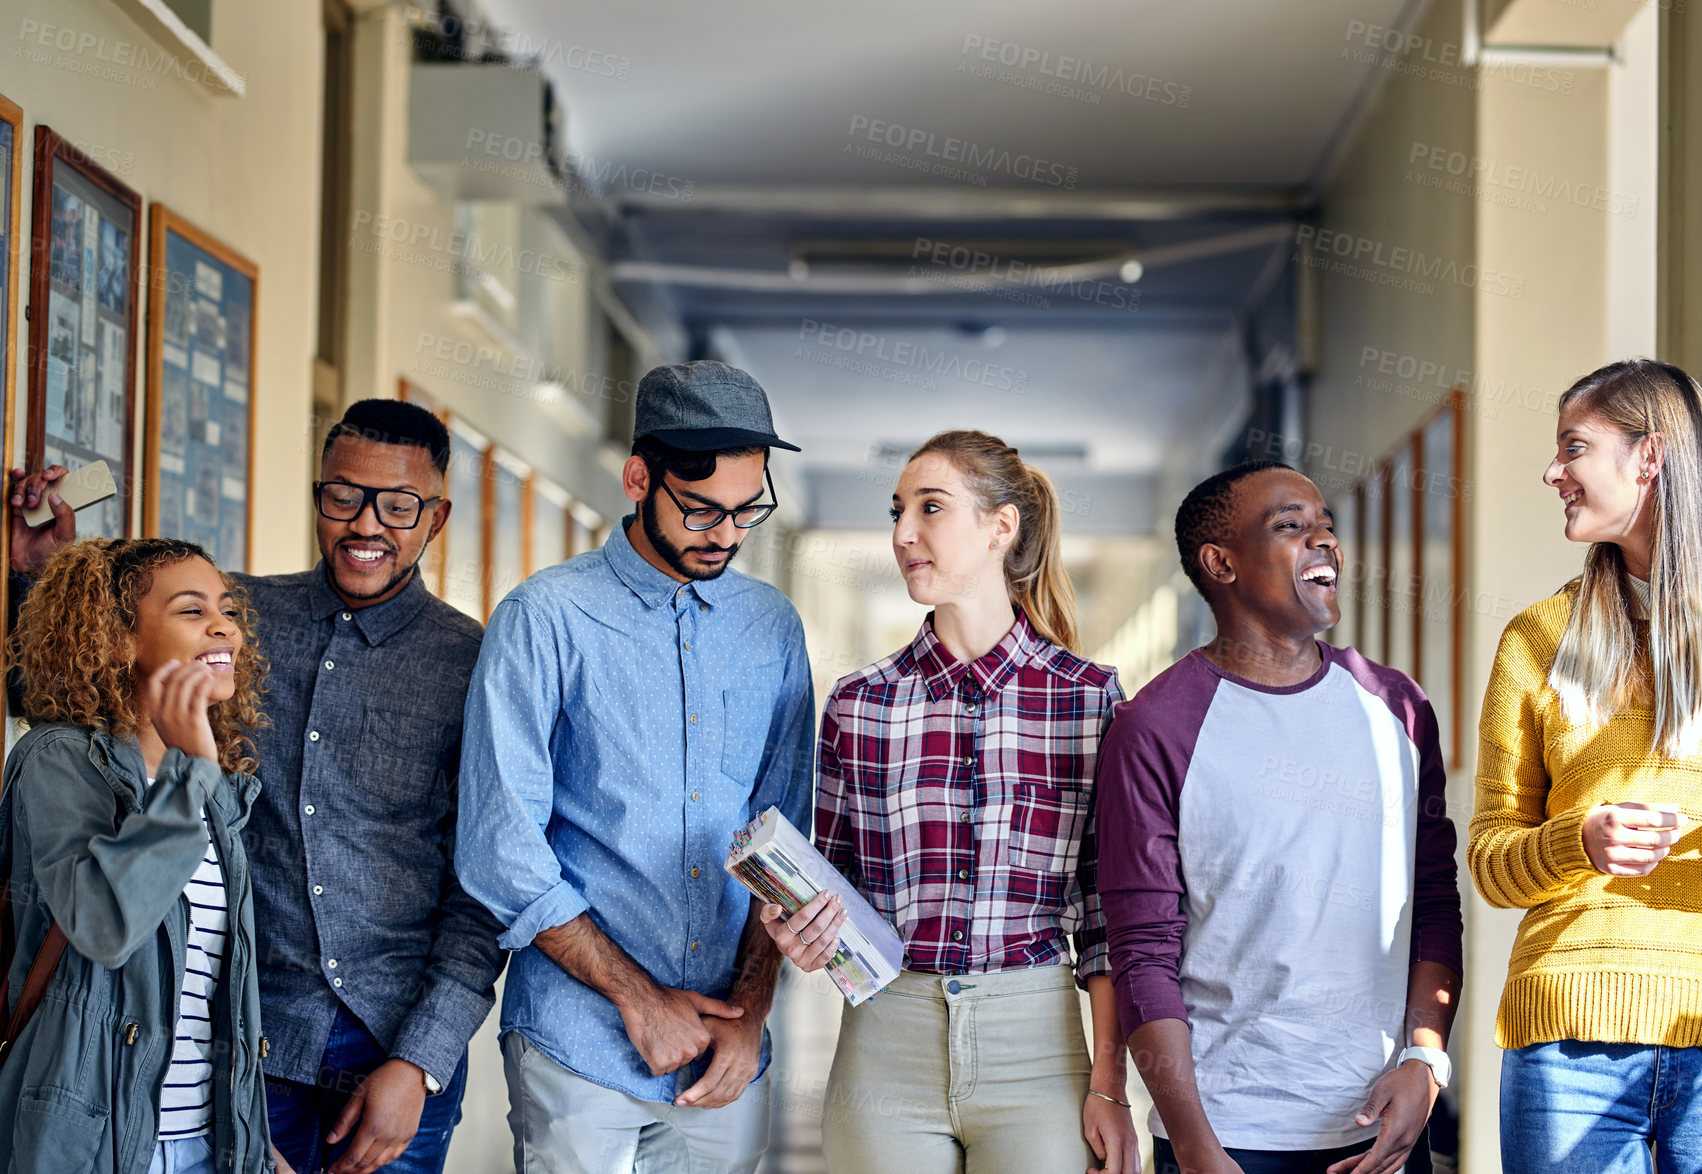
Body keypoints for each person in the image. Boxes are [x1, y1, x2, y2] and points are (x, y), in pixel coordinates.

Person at [7, 398, 507, 1174]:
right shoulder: (237, 618)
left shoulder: (472, 662)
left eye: (399, 505)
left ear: (435, 519)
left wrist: (424, 1060)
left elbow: (483, 881)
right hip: (242, 1042)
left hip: (393, 1054)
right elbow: (75, 693)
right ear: (319, 495)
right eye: (344, 496)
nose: (366, 525)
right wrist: (30, 575)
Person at [456, 360, 815, 1174]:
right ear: (636, 479)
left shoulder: (772, 628)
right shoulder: (545, 618)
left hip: (724, 1051)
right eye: (699, 511)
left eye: (745, 511)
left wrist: (752, 1009)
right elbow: (498, 844)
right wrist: (638, 1000)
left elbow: (783, 840)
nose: (724, 534)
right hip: (579, 1038)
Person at [767, 430, 1140, 1174]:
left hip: (1038, 1048)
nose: (904, 534)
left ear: (1003, 526)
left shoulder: (1087, 700)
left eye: (930, 508)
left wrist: (1112, 1086)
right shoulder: (858, 704)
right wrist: (799, 929)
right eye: (897, 511)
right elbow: (833, 888)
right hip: (885, 1042)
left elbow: (1105, 915)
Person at [1096, 461, 1463, 1174]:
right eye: (1292, 526)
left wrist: (1426, 1058)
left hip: (1379, 1128)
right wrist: (1197, 1147)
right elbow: (1142, 951)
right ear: (1221, 562)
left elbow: (1434, 903)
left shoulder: (1398, 708)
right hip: (1228, 1134)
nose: (1324, 541)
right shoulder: (1154, 728)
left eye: (1326, 525)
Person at [1470, 359, 1702, 1172]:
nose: (1552, 473)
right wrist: (1579, 843)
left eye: (1573, 449)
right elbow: (1493, 865)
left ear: (1651, 455)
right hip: (1563, 1037)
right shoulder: (1537, 639)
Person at [0, 538, 271, 1174]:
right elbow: (101, 925)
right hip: (92, 1143)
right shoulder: (59, 758)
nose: (222, 625)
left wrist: (252, 1142)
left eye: (227, 609)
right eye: (190, 609)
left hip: (206, 1145)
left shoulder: (215, 786)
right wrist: (191, 774)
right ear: (120, 639)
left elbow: (215, 998)